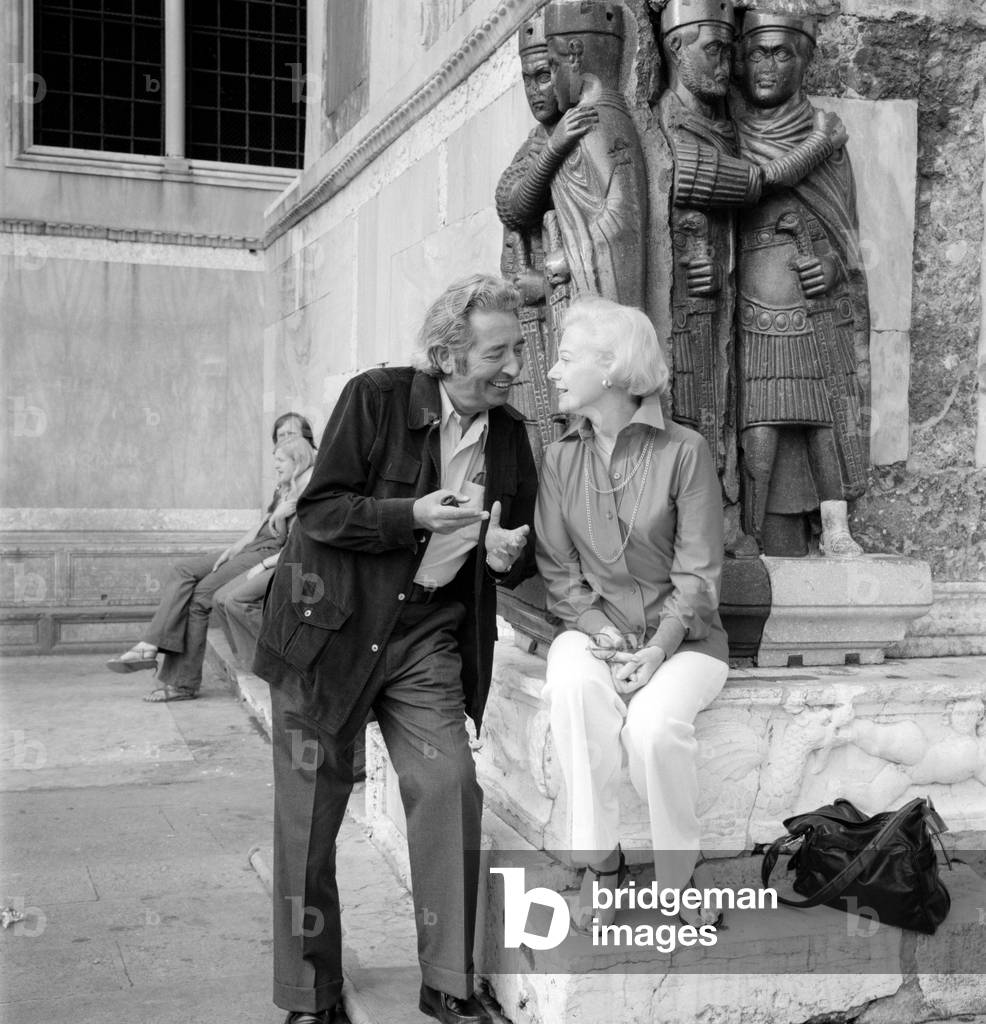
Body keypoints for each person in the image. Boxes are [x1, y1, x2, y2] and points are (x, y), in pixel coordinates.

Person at [253, 274, 538, 1024]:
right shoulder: (376, 398)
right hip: (329, 634)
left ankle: (449, 977)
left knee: (449, 789)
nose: (515, 366)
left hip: (426, 637)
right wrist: (410, 513)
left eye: (519, 346)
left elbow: (514, 546)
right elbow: (320, 511)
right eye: (497, 351)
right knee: (309, 818)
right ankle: (309, 994)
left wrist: (507, 556)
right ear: (446, 355)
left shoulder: (510, 435)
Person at [534, 296, 730, 933]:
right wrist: (600, 629)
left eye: (566, 359)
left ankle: (678, 878)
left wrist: (657, 646)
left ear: (612, 367)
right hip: (595, 631)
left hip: (687, 641)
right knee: (570, 686)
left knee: (651, 731)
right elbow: (559, 572)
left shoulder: (686, 450)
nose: (553, 373)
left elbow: (698, 576)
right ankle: (601, 864)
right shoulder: (561, 456)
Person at [732, 11, 869, 556]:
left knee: (825, 419)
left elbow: (847, 232)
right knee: (759, 423)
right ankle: (753, 526)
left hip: (812, 304)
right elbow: (739, 196)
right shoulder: (731, 133)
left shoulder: (830, 141)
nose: (767, 65)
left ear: (804, 59)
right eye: (758, 52)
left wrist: (835, 268)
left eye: (781, 52)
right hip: (750, 302)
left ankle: (836, 526)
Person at [107, 421, 315, 701]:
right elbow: (266, 524)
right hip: (256, 544)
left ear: (302, 446)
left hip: (268, 552)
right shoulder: (286, 483)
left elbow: (287, 539)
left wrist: (275, 526)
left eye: (288, 438)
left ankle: (177, 676)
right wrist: (236, 546)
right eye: (279, 438)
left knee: (201, 598)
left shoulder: (310, 483)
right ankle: (153, 646)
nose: (277, 459)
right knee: (183, 570)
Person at [213, 436, 316, 670]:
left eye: (280, 460)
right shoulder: (289, 487)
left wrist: (263, 565)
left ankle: (285, 659)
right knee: (220, 599)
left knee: (237, 600)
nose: (276, 466)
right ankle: (254, 663)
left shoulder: (311, 488)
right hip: (285, 557)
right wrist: (279, 516)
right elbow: (282, 539)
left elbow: (304, 546)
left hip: (299, 565)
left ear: (297, 460)